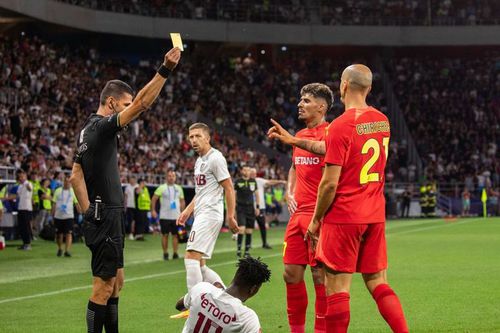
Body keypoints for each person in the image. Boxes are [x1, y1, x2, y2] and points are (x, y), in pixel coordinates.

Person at [269, 65, 408, 333]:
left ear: (343, 86)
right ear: (368, 88)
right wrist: (294, 141)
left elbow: (329, 183)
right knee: (378, 282)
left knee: (336, 288)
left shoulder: (341, 125)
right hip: (375, 214)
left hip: (344, 215)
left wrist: (316, 220)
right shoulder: (382, 120)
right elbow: (329, 147)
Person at [71, 46, 181, 333]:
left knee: (117, 282)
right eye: (125, 104)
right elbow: (143, 104)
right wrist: (165, 70)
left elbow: (75, 176)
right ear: (111, 103)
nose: (130, 108)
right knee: (104, 286)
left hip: (105, 213)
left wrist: (87, 213)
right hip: (107, 212)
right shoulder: (101, 128)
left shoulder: (85, 131)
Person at [270, 83, 332, 333]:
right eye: (300, 100)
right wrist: (288, 189)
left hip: (322, 216)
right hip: (297, 216)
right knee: (290, 274)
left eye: (306, 101)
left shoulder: (331, 132)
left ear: (321, 106)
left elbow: (327, 153)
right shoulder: (299, 135)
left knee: (320, 278)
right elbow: (295, 166)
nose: (300, 104)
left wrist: (292, 139)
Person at [174, 122, 239, 319]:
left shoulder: (215, 158)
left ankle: (195, 306)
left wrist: (231, 215)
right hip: (202, 213)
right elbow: (200, 192)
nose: (193, 140)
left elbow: (228, 187)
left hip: (210, 214)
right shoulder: (199, 161)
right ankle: (225, 295)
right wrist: (187, 210)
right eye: (191, 136)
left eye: (197, 136)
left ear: (207, 138)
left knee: (190, 257)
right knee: (200, 264)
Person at [176, 256, 271, 333]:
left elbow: (179, 306)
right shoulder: (247, 318)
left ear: (235, 276)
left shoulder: (202, 288)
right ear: (253, 289)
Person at [151, 168, 185, 260]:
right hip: (164, 216)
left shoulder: (179, 188)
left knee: (175, 235)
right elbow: (154, 199)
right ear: (166, 177)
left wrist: (183, 213)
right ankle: (165, 253)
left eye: (173, 176)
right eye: (169, 176)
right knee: (165, 235)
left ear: (175, 177)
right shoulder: (162, 187)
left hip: (176, 216)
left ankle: (175, 253)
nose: (171, 178)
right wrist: (153, 210)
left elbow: (182, 201)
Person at [248, 167, 285, 249]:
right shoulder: (246, 182)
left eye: (254, 173)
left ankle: (264, 243)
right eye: (251, 173)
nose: (253, 175)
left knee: (262, 226)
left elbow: (270, 182)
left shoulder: (259, 181)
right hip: (249, 207)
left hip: (260, 207)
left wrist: (280, 181)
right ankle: (248, 244)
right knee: (249, 226)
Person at [52, 174, 81, 257]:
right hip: (58, 216)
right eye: (66, 181)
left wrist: (80, 211)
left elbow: (76, 203)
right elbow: (54, 203)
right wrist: (52, 214)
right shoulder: (58, 191)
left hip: (69, 216)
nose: (67, 183)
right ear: (63, 182)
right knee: (59, 234)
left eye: (69, 182)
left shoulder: (73, 191)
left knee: (69, 233)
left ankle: (67, 250)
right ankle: (60, 248)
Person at [234, 166, 259, 257]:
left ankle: (247, 251)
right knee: (241, 229)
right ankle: (239, 249)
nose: (246, 171)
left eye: (248, 170)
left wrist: (257, 207)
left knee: (249, 231)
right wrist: (233, 208)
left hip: (250, 209)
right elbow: (234, 195)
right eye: (244, 170)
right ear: (241, 171)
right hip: (241, 208)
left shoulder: (253, 181)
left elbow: (257, 195)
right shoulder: (238, 182)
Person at [16, 170, 33, 251]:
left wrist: (26, 183)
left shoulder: (28, 183)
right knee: (21, 227)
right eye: (20, 177)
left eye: (22, 176)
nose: (21, 178)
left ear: (25, 177)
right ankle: (24, 243)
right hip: (20, 208)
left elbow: (30, 189)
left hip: (27, 208)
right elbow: (18, 195)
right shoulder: (20, 186)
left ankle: (28, 244)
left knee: (26, 227)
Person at [123, 176, 138, 240]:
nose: (132, 181)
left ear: (135, 180)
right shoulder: (127, 187)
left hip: (137, 206)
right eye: (131, 180)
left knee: (135, 221)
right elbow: (125, 197)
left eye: (133, 180)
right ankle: (130, 233)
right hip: (129, 206)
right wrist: (125, 206)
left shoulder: (138, 186)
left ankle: (135, 233)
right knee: (130, 220)